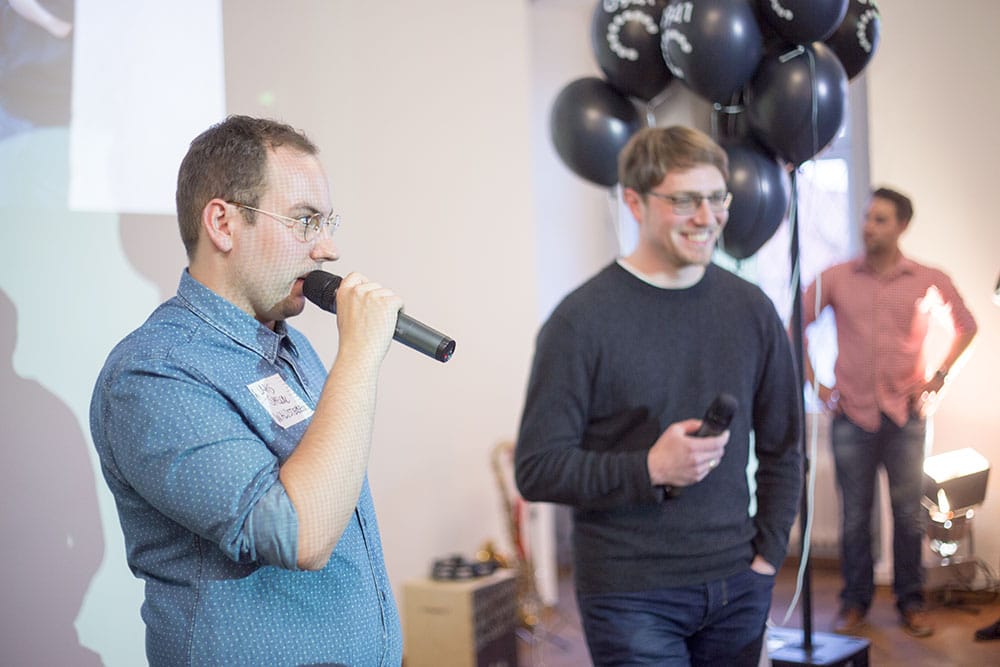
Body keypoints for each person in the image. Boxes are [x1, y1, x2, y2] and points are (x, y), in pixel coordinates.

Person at [90, 115, 404, 666]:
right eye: (305, 221)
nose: (328, 248)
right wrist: (358, 352)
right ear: (223, 223)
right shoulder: (153, 374)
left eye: (327, 222)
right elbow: (299, 535)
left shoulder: (291, 347)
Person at [515, 126, 803, 666]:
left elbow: (785, 447)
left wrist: (768, 556)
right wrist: (649, 467)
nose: (707, 216)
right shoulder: (581, 321)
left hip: (737, 582)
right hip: (630, 594)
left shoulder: (752, 310)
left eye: (717, 197)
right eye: (685, 200)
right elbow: (536, 468)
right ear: (634, 201)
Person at [801, 186, 978, 639]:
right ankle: (854, 602)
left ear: (902, 225)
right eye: (866, 217)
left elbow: (966, 325)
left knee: (909, 515)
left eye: (880, 219)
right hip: (851, 416)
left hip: (907, 416)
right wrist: (817, 384)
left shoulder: (925, 278)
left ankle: (910, 601)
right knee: (855, 517)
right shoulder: (837, 277)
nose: (869, 226)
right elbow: (792, 324)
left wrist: (939, 379)